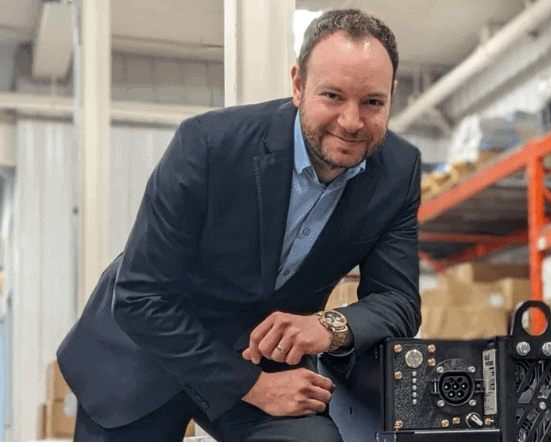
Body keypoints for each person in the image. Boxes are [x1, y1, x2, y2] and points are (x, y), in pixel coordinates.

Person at [55, 9, 421, 441]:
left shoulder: (399, 170)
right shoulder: (208, 144)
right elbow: (140, 298)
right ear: (299, 86)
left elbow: (399, 300)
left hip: (266, 357)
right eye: (333, 96)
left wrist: (328, 326)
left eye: (372, 102)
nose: (352, 122)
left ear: (392, 95)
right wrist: (253, 387)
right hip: (146, 355)